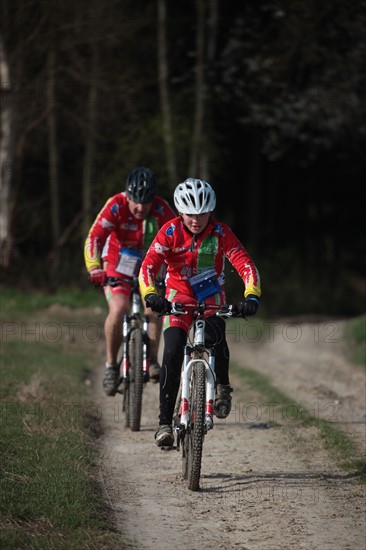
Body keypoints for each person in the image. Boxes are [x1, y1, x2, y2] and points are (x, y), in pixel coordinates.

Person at [138, 178, 261, 446]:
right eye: (190, 213)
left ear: (211, 211)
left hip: (210, 296)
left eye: (202, 213)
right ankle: (163, 423)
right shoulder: (169, 232)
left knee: (217, 336)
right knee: (171, 351)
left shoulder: (221, 233)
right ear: (180, 212)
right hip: (177, 296)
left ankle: (223, 387)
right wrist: (151, 295)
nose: (196, 219)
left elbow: (245, 264)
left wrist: (251, 296)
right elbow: (148, 266)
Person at [84, 167, 175, 396]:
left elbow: (178, 241)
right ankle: (111, 366)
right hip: (117, 263)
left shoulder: (162, 209)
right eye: (136, 201)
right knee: (119, 308)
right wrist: (94, 267)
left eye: (146, 202)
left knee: (153, 308)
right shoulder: (115, 205)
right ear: (127, 195)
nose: (140, 208)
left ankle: (152, 359)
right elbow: (94, 237)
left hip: (149, 265)